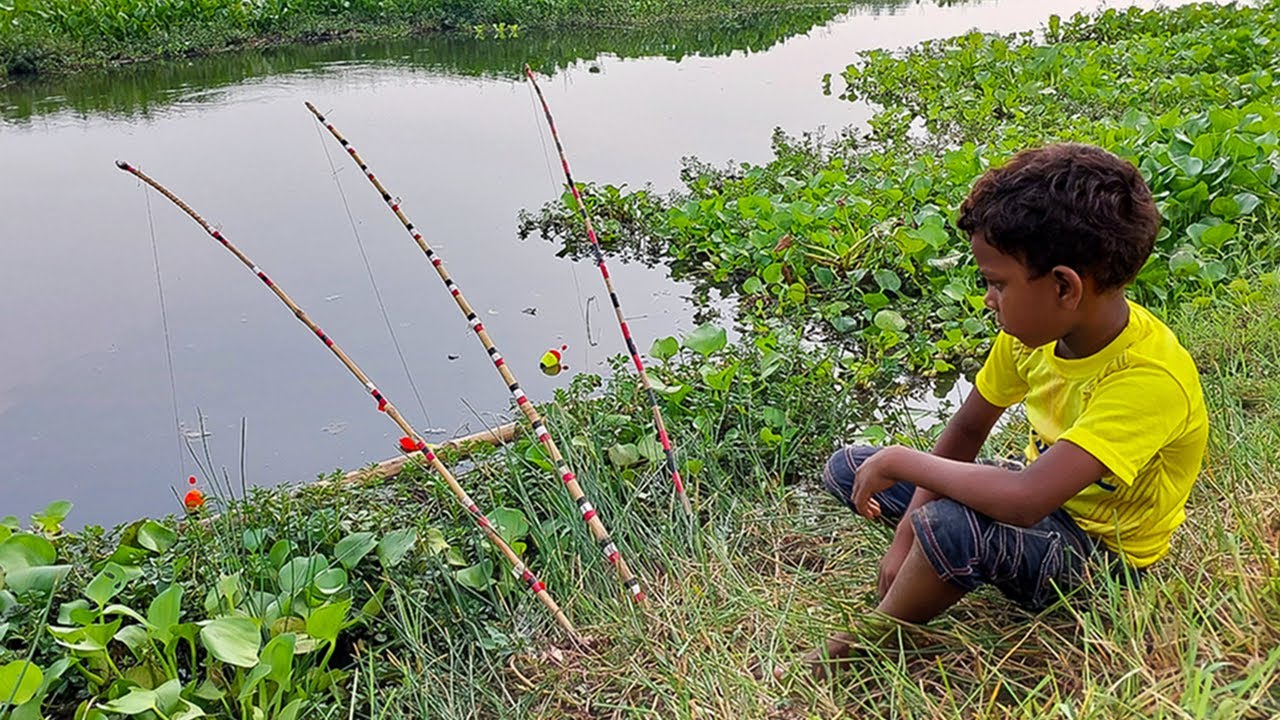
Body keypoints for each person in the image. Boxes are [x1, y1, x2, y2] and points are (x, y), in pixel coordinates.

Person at [808, 143, 1209, 673]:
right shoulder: (1032, 334)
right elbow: (970, 426)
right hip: (1040, 498)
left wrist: (906, 466)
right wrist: (906, 530)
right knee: (853, 469)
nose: (988, 299)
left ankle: (887, 634)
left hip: (1101, 563)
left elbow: (1023, 500)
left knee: (948, 524)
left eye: (997, 283)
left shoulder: (1149, 378)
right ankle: (934, 554)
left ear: (1064, 286)